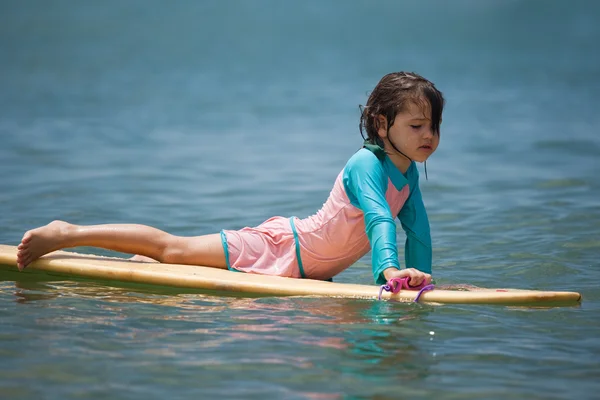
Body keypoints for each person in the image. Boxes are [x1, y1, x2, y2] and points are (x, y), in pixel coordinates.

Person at [17, 71, 444, 287]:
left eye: (434, 127)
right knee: (174, 248)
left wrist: (421, 282)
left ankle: (148, 264)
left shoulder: (407, 175)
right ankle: (66, 232)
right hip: (279, 248)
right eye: (417, 126)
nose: (428, 136)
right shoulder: (365, 165)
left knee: (173, 258)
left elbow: (418, 231)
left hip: (309, 271)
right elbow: (378, 221)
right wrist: (389, 272)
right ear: (382, 125)